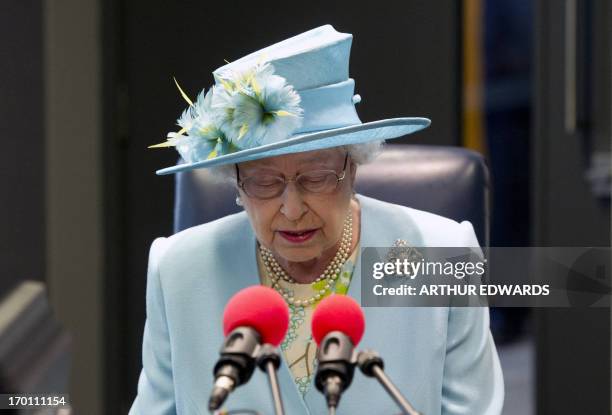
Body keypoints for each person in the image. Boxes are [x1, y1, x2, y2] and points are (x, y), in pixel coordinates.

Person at [130, 25, 504, 415]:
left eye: (316, 178)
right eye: (263, 182)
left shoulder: (442, 255)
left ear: (353, 168)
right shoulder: (177, 270)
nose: (292, 209)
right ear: (236, 185)